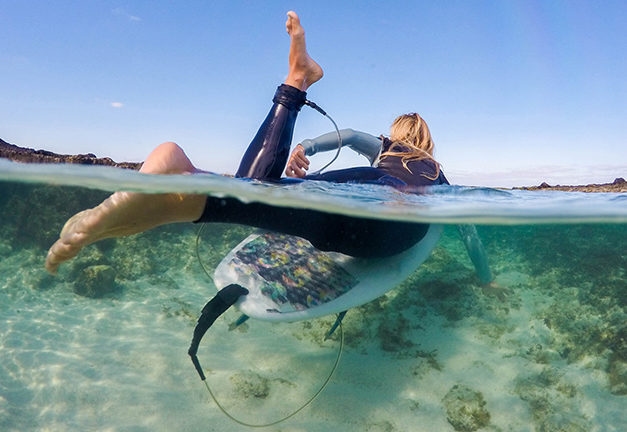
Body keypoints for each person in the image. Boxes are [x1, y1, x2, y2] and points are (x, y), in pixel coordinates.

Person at [45, 11, 494, 288]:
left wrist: (306, 149)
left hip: (358, 194)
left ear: (398, 136)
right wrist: (485, 278)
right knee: (266, 199)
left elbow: (352, 135)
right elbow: (470, 232)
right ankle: (291, 87)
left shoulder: (385, 152)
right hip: (388, 226)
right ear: (428, 144)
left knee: (260, 192)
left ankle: (193, 178)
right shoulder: (437, 175)